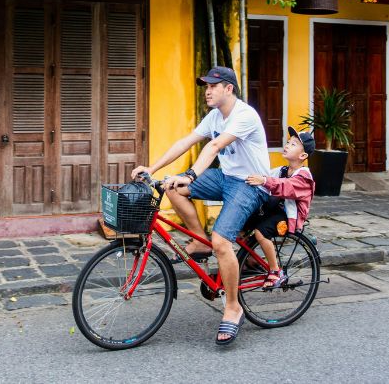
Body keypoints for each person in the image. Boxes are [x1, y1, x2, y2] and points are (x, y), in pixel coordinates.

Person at [131, 65, 271, 346]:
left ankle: (233, 307)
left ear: (228, 88)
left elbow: (214, 147)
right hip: (226, 178)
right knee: (172, 187)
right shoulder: (215, 115)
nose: (207, 91)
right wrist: (153, 167)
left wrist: (191, 175)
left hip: (251, 184)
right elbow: (187, 142)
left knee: (223, 242)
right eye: (205, 86)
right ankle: (200, 241)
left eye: (212, 86)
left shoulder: (243, 115)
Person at [244, 126, 316, 289]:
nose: (287, 145)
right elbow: (266, 175)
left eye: (293, 144)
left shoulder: (304, 176)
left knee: (261, 232)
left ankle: (275, 271)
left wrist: (264, 180)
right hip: (273, 209)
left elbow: (286, 187)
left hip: (288, 217)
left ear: (303, 155)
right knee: (240, 224)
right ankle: (251, 261)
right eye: (288, 142)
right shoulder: (282, 170)